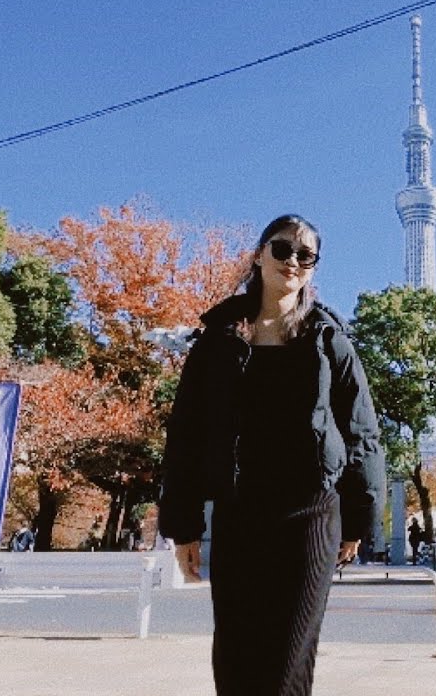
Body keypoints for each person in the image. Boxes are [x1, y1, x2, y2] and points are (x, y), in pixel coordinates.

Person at [159, 214, 384, 696]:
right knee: (237, 661)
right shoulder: (218, 340)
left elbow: (362, 431)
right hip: (239, 515)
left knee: (286, 662)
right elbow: (187, 434)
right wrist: (184, 524)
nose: (293, 262)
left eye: (306, 256)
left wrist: (359, 518)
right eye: (283, 250)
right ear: (259, 255)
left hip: (309, 516)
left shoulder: (329, 341)